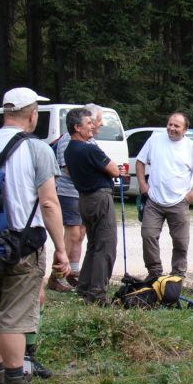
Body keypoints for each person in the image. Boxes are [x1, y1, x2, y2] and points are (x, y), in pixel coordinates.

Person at [0, 87, 69, 384]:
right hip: (22, 242)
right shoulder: (37, 149)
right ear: (32, 114)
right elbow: (49, 203)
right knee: (16, 316)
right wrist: (61, 248)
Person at [136, 112, 193, 279]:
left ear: (185, 129)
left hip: (179, 202)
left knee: (181, 242)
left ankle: (177, 275)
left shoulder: (191, 147)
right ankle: (154, 273)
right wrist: (142, 185)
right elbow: (140, 162)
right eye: (170, 124)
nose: (172, 128)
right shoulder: (155, 140)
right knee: (148, 235)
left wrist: (191, 195)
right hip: (154, 200)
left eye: (176, 126)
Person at [64, 108, 122, 305]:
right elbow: (114, 170)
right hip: (99, 198)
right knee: (106, 246)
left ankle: (85, 287)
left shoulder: (69, 150)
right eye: (88, 123)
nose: (93, 126)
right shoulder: (89, 148)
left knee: (93, 244)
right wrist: (113, 170)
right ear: (77, 128)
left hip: (84, 198)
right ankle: (97, 294)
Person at [48, 103, 105, 292]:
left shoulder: (89, 141)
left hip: (80, 192)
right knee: (71, 233)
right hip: (69, 192)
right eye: (97, 120)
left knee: (80, 234)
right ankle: (56, 276)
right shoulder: (68, 140)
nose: (100, 124)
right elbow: (68, 168)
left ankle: (72, 273)